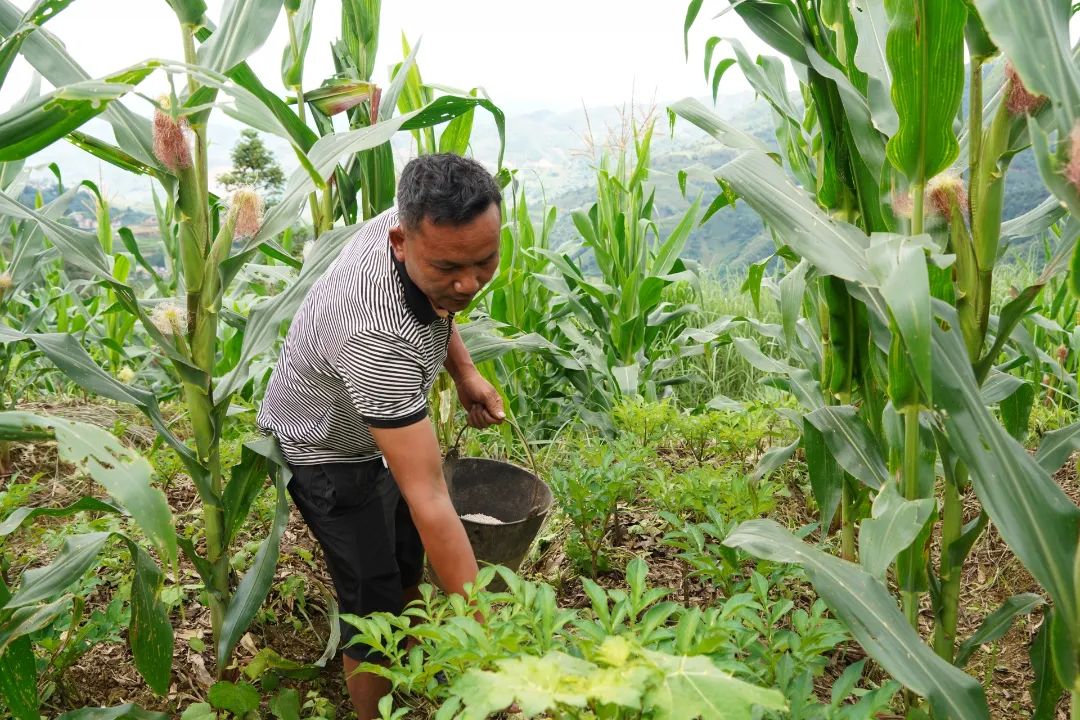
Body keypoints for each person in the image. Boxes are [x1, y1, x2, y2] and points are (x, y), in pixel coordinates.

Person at [257, 153, 505, 718]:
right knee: (371, 599)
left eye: (485, 261)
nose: (469, 283)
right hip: (326, 447)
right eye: (450, 267)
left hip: (379, 434)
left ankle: (407, 668)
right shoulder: (376, 335)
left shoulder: (416, 224)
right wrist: (491, 644)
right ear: (400, 242)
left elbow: (439, 302)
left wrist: (464, 370)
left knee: (405, 558)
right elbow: (431, 498)